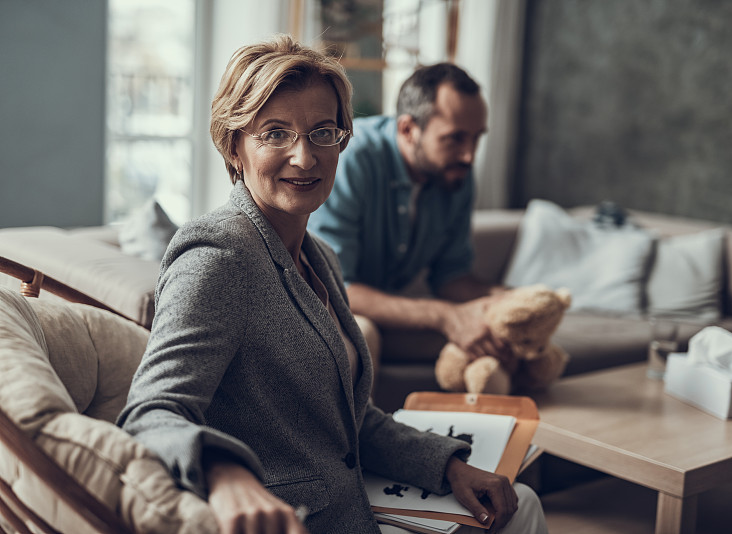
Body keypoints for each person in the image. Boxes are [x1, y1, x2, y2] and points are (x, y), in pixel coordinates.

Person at [117, 35, 547, 534]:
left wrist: (448, 466)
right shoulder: (218, 255)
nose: (304, 157)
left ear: (342, 140)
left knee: (520, 500)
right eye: (275, 133)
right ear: (234, 145)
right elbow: (150, 412)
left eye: (322, 132)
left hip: (349, 502)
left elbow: (351, 420)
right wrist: (226, 474)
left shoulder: (319, 259)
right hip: (293, 519)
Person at [307, 63, 511, 372]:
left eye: (476, 138)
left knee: (499, 336)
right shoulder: (352, 160)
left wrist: (505, 299)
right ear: (408, 129)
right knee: (365, 333)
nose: (470, 156)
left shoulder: (455, 174)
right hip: (324, 309)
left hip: (385, 312)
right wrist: (444, 316)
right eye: (455, 138)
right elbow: (337, 287)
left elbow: (451, 276)